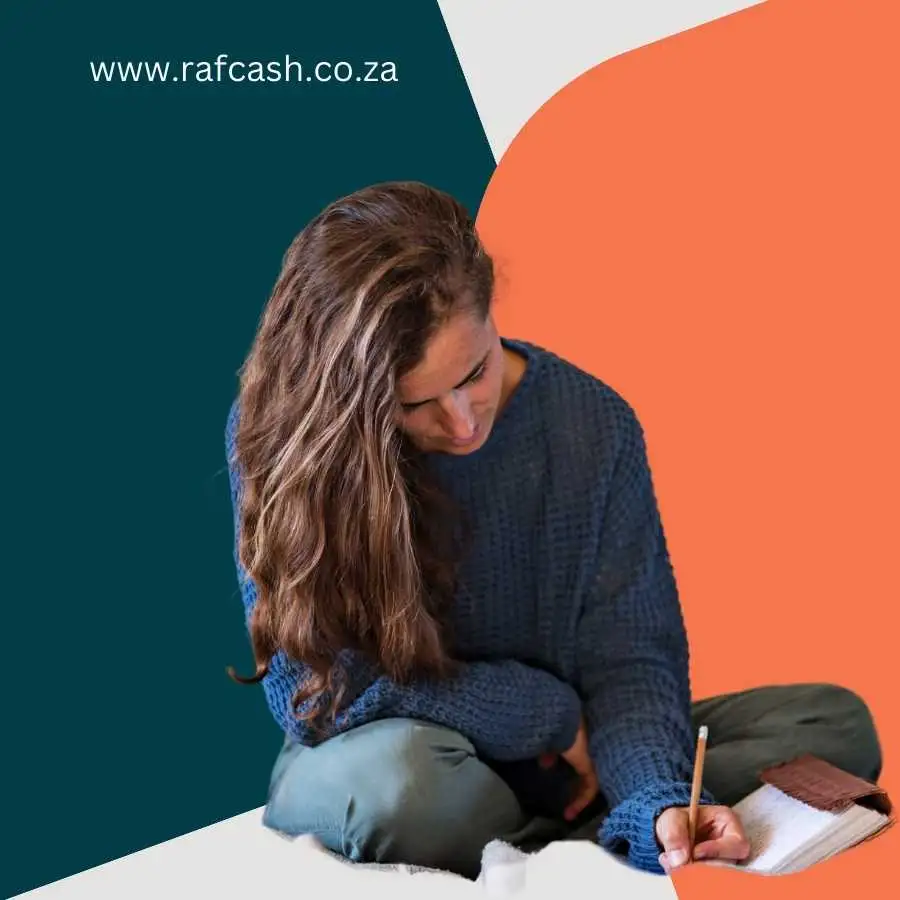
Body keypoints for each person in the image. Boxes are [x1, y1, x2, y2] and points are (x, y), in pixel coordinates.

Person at [224, 181, 882, 879]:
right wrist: (543, 713)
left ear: (491, 313)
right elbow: (317, 694)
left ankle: (600, 823)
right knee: (402, 788)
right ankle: (564, 830)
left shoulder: (593, 426)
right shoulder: (284, 440)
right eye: (414, 405)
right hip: (399, 754)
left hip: (567, 765)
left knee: (832, 723)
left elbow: (630, 660)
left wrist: (660, 796)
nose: (462, 422)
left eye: (473, 372)